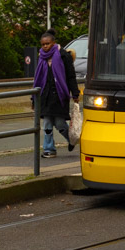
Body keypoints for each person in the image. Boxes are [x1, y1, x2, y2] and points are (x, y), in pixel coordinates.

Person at [33, 29, 79, 157]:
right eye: (43, 44)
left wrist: (75, 94)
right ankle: (49, 149)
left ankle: (71, 140)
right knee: (47, 124)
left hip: (59, 95)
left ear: (53, 43)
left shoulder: (64, 56)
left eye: (47, 44)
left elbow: (71, 76)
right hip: (45, 96)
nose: (45, 46)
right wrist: (33, 99)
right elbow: (38, 78)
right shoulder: (41, 57)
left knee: (60, 123)